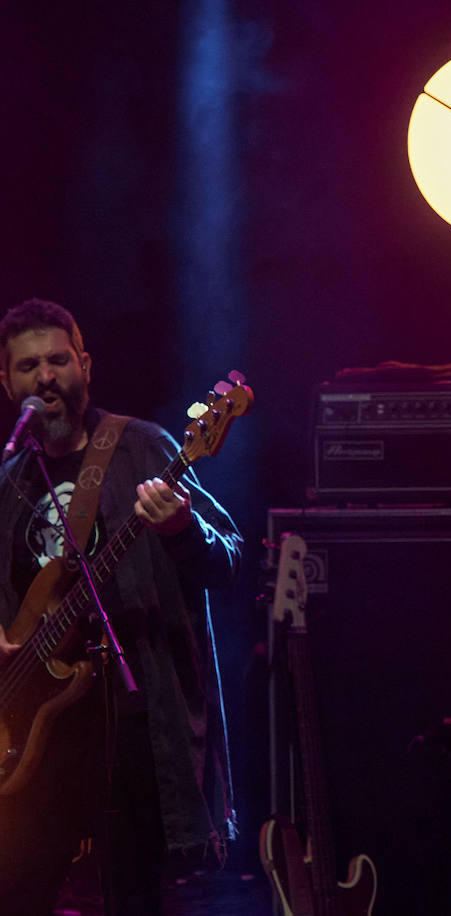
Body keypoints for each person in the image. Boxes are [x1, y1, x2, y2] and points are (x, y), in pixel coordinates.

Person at [0, 299, 242, 915]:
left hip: (129, 724)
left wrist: (184, 531)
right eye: (28, 366)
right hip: (32, 730)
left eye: (58, 360)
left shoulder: (141, 448)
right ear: (7, 383)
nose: (45, 377)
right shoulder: (9, 478)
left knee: (133, 895)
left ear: (85, 365)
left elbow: (234, 559)